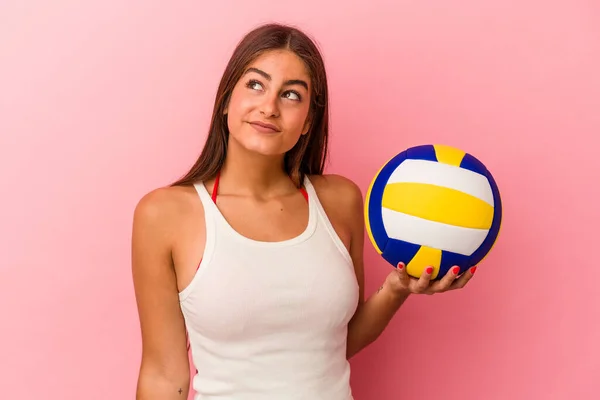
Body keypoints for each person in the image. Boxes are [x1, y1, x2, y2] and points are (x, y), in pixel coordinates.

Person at [131, 22, 476, 400]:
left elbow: (332, 344)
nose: (269, 107)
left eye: (292, 95)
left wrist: (396, 288)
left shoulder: (340, 201)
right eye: (256, 84)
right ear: (226, 99)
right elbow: (165, 375)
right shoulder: (165, 214)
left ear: (309, 120)